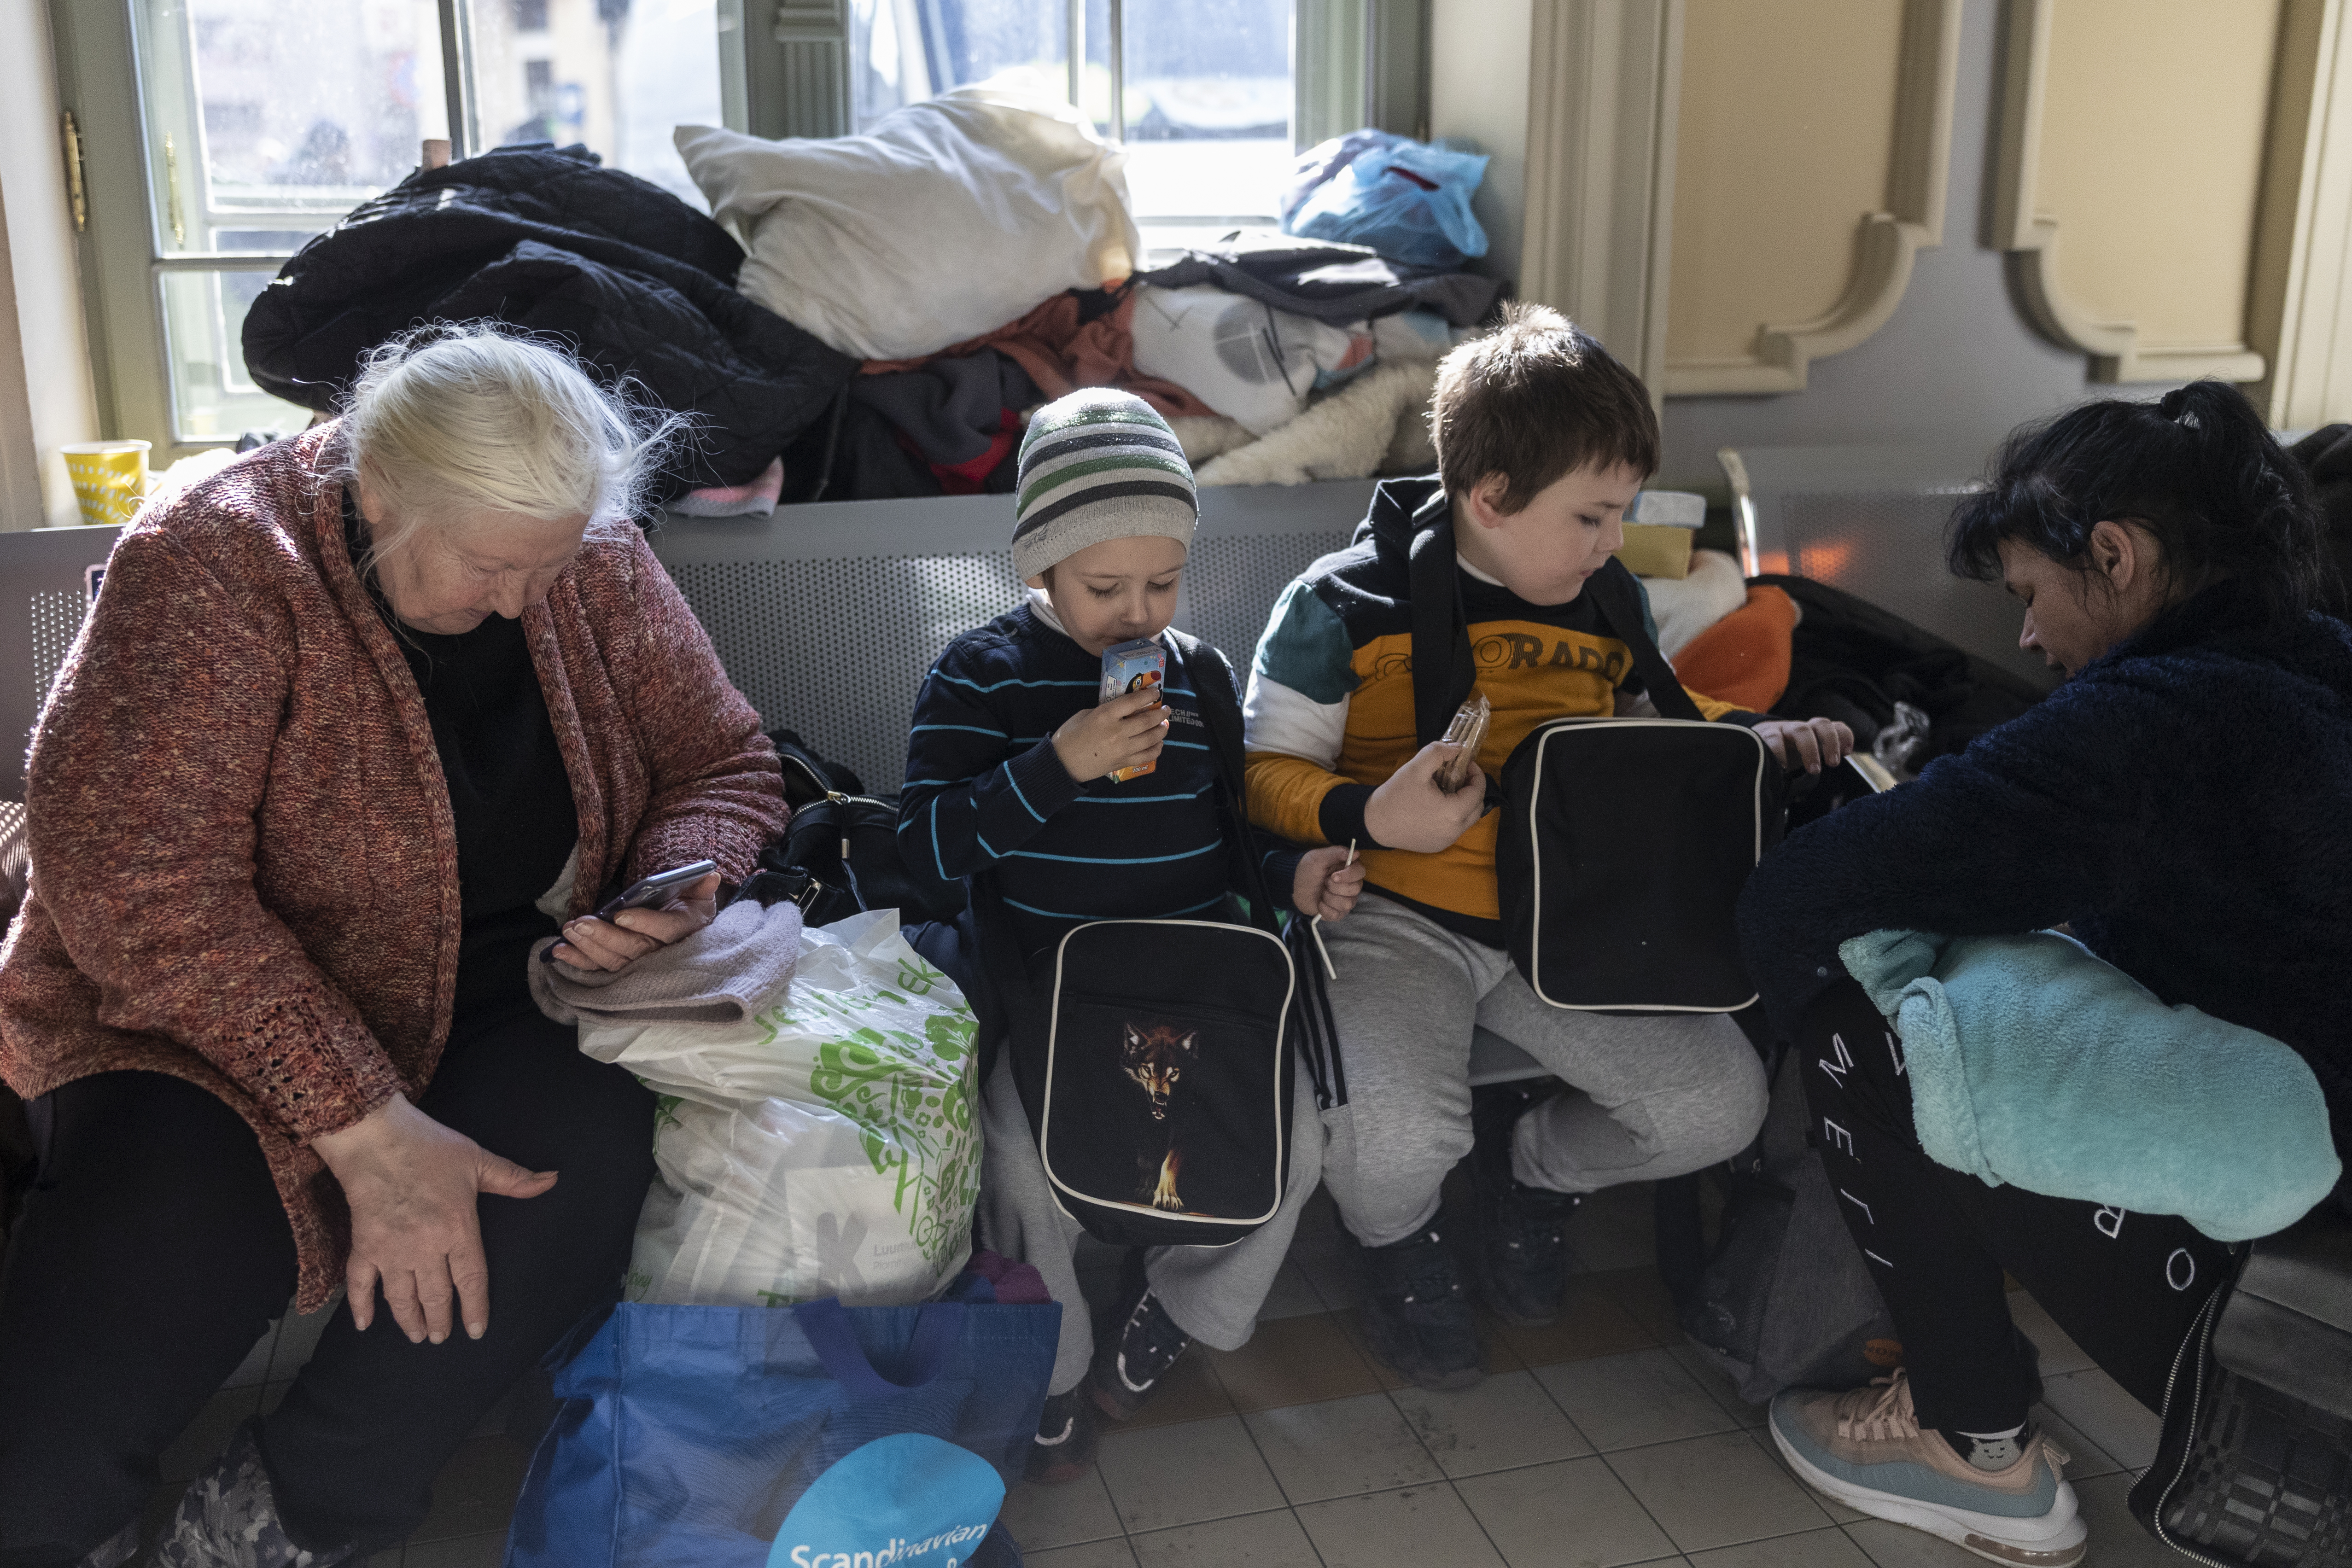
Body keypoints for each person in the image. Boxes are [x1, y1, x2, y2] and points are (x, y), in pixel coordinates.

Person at [0, 326, 788, 1568]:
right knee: (40, 1474)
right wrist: (365, 1125)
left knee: (575, 1149)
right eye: (490, 565)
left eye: (555, 562)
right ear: (378, 495)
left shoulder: (585, 555)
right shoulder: (212, 558)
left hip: (493, 985)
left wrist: (676, 877)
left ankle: (289, 1514)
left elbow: (723, 758)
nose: (529, 601)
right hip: (200, 1024)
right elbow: (134, 882)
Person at [1738, 381, 2352, 1568]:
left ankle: (1971, 1445)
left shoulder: (2152, 718)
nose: (2024, 638)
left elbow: (1814, 892)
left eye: (2027, 594)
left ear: (2112, 555)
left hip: (2307, 1284)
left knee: (1862, 1019)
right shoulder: (2321, 663)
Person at [1240, 304, 1846, 1389]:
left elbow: (1653, 730)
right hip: (1388, 913)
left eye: (1620, 515)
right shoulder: (1335, 606)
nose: (1615, 542)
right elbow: (1259, 780)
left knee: (1717, 1105)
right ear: (1490, 498)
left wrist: (1758, 737)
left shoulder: (1602, 599)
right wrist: (1371, 814)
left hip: (1564, 919)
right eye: (1594, 515)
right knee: (1387, 1140)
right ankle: (1399, 1244)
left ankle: (1531, 1175)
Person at [897, 389, 1366, 1482]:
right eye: (1104, 586)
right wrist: (1057, 765)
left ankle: (1175, 1315)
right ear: (1039, 570)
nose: (1137, 611)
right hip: (1055, 990)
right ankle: (1054, 1373)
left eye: (1163, 581)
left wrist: (1292, 877)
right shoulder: (980, 676)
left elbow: (1235, 844)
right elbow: (924, 853)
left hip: (1201, 982)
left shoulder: (1196, 673)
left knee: (1291, 1152)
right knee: (1018, 1162)